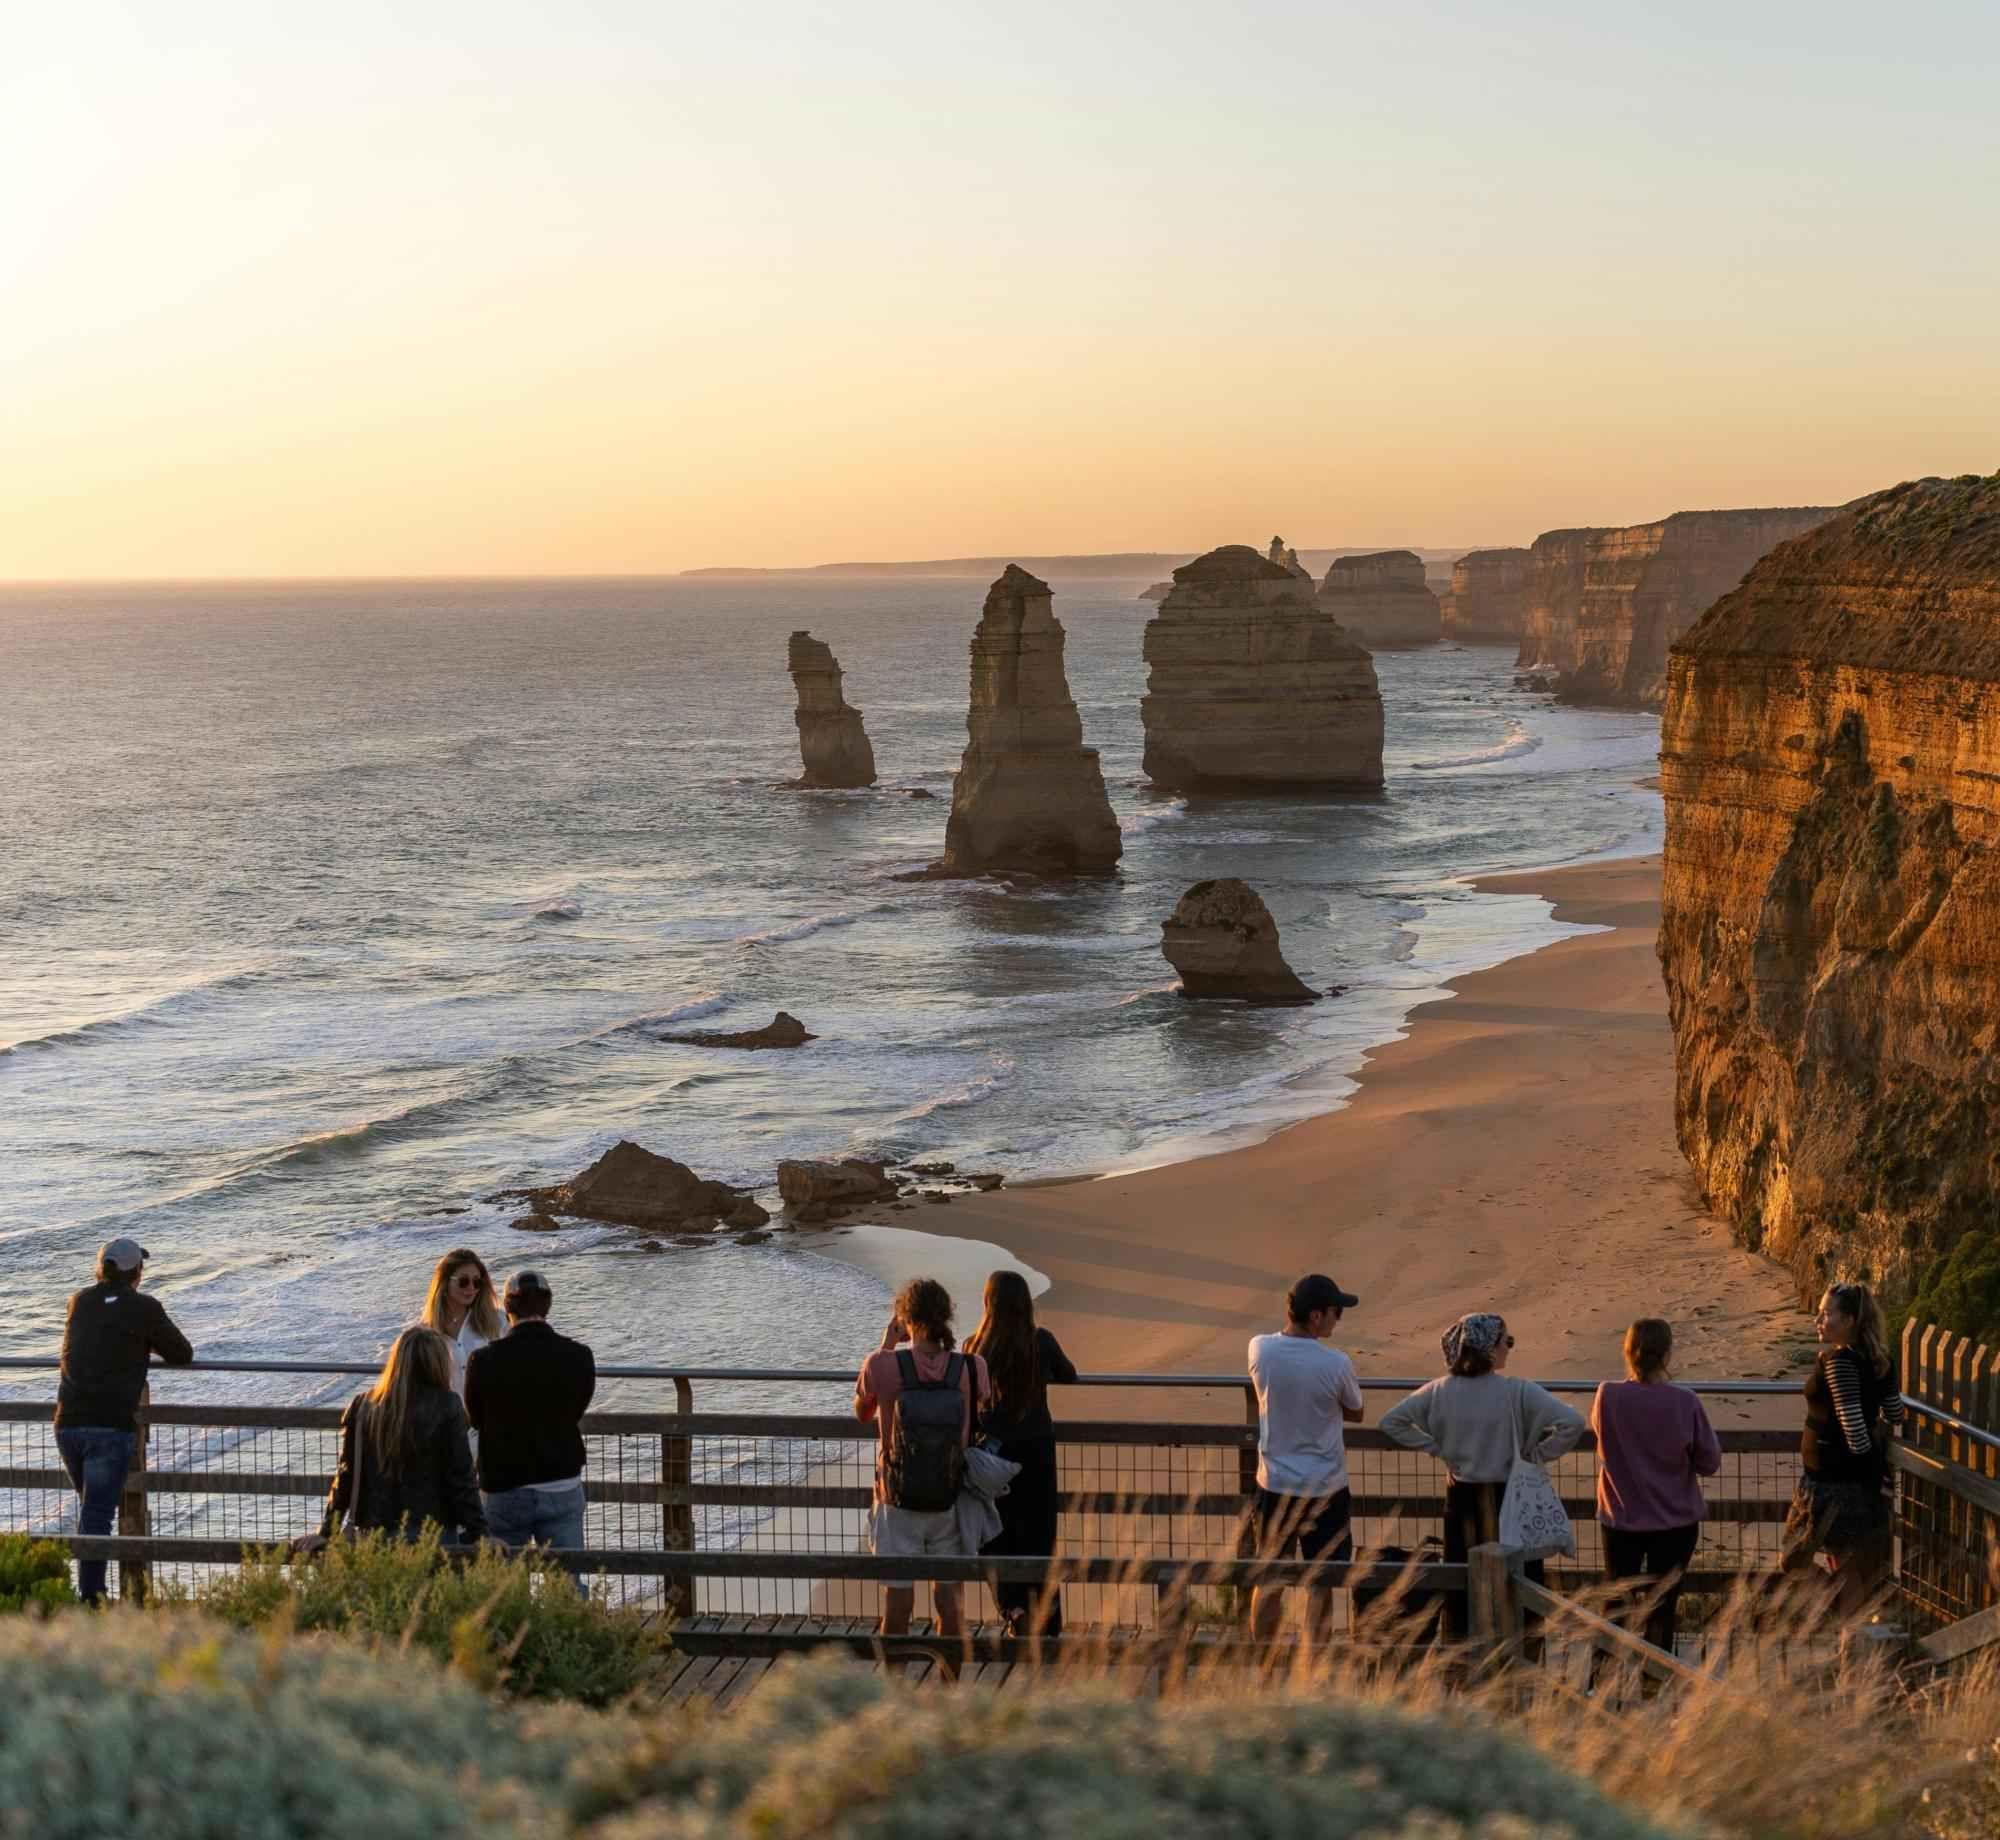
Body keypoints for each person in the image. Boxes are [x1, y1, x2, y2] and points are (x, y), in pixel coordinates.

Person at [1379, 1312, 1584, 1635]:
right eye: (1507, 1342)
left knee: (1462, 1585)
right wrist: (1538, 1454)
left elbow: (1391, 1422)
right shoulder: (1518, 1391)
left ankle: (1462, 1667)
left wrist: (1437, 1449)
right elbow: (1572, 1423)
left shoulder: (1438, 1391)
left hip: (1462, 1499)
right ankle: (1523, 1665)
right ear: (1489, 1348)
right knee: (1522, 1585)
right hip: (1511, 1497)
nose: (1510, 1348)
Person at [54, 1238, 195, 1604]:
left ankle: (88, 1593)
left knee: (91, 1510)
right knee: (97, 1515)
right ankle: (93, 1600)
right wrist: (141, 1341)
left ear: (101, 1269)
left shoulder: (78, 1301)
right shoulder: (144, 1307)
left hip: (67, 1423)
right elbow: (182, 1353)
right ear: (137, 1273)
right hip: (109, 1426)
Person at [853, 1277, 989, 1641]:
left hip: (895, 1497)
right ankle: (949, 1688)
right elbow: (977, 1415)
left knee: (897, 1604)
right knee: (950, 1602)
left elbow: (862, 1412)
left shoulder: (881, 1364)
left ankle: (896, 1692)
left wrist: (886, 1345)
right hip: (951, 1497)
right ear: (946, 1315)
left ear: (904, 1317)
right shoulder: (972, 1367)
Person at [1245, 1274, 1365, 1643]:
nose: (1337, 1320)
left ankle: (1262, 1662)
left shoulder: (1259, 1349)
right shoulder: (1336, 1364)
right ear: (1316, 1316)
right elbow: (1356, 1411)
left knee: (1270, 1578)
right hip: (1325, 1487)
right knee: (1321, 1583)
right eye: (1335, 1313)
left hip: (1275, 1484)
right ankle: (1311, 1671)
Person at [1591, 1318, 1721, 1655]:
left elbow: (1601, 1438)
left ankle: (1601, 1684)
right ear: (1666, 1355)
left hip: (1621, 1519)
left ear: (1628, 1352)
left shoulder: (1608, 1396)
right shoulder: (1685, 1402)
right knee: (1662, 1607)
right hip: (1675, 1522)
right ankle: (1655, 1683)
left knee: (1615, 1604)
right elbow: (1709, 1462)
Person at [964, 1269, 1078, 1639]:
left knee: (995, 1535)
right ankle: (1049, 1620)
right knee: (1041, 1536)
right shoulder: (1040, 1341)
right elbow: (1070, 1376)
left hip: (994, 1455)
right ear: (1026, 1304)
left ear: (988, 1303)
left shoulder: (973, 1346)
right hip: (1037, 1450)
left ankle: (1013, 1609)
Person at [1783, 1282, 1905, 1613]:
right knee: (1848, 1567)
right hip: (1854, 1483)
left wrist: (1870, 1468)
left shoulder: (1838, 1362)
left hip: (1830, 1486)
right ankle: (1850, 1638)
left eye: (1826, 1314)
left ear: (1850, 1320)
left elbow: (1854, 1434)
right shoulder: (1880, 1359)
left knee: (1793, 1561)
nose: (1817, 1320)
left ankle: (1844, 1623)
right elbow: (1895, 1413)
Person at [465, 1269, 596, 1564]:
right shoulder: (579, 1356)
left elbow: (476, 1418)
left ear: (507, 1308)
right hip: (560, 1479)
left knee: (504, 1586)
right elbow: (577, 1408)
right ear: (547, 1305)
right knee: (567, 1582)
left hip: (503, 1485)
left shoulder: (483, 1360)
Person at [316, 1325, 486, 1544]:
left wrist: (326, 1532)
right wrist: (479, 1531)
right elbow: (461, 1476)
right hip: (433, 1532)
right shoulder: (447, 1405)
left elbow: (346, 1475)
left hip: (374, 1532)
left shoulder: (364, 1405)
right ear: (438, 1363)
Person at [419, 1248, 505, 1400]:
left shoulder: (498, 1321)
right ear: (444, 1283)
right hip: (447, 1421)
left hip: (490, 1419)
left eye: (477, 1282)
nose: (471, 1288)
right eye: (463, 1281)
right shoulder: (424, 1333)